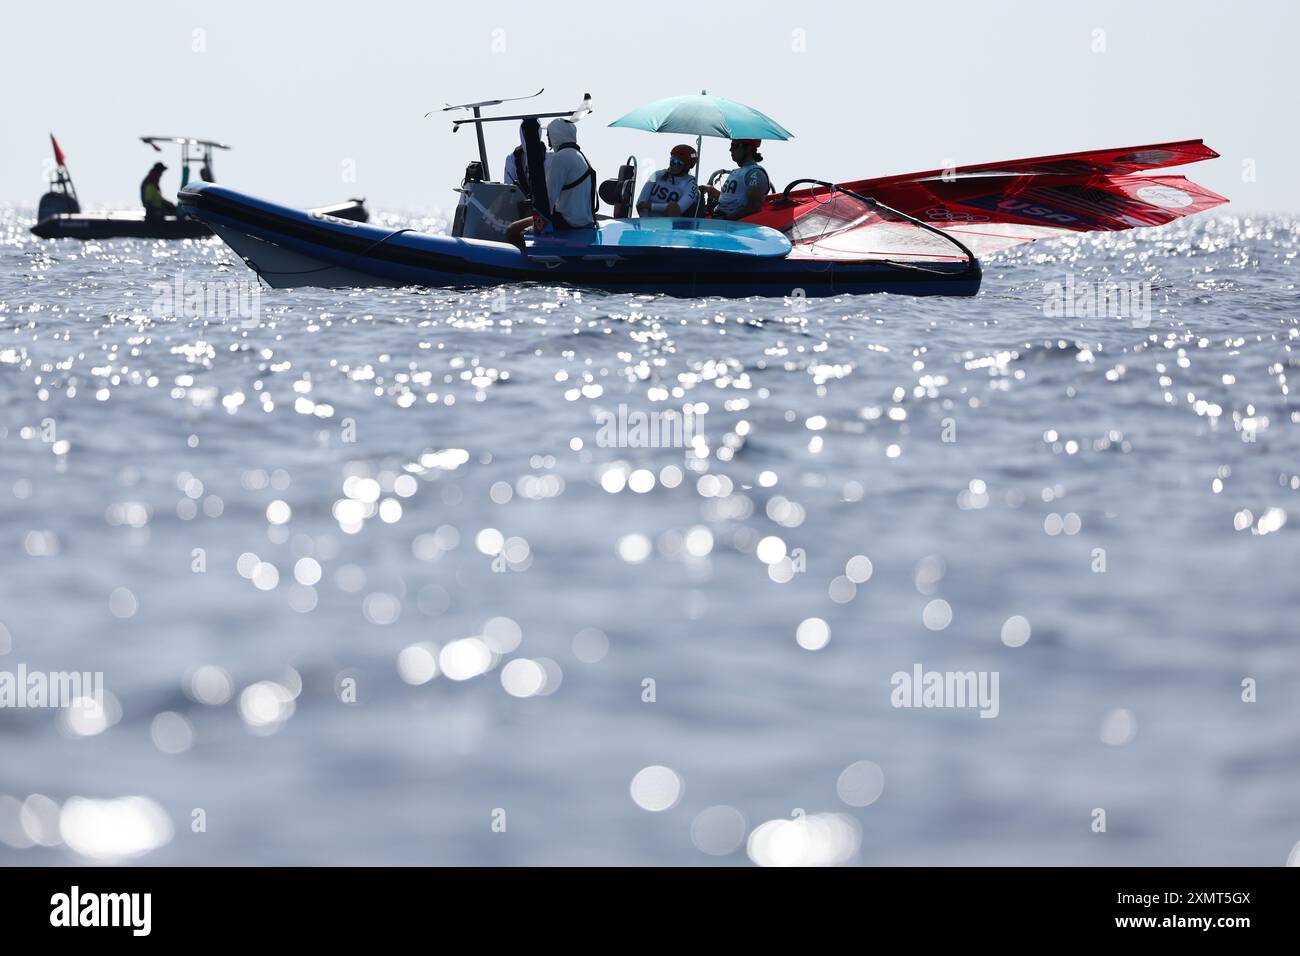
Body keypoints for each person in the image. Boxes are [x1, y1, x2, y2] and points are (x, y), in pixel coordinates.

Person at [506, 118, 597, 247]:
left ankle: (530, 263)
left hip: (567, 221)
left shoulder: (561, 158)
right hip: (583, 220)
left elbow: (547, 199)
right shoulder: (580, 155)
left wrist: (537, 227)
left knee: (513, 231)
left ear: (556, 135)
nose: (548, 142)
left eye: (549, 136)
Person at [701, 139, 770, 220]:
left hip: (732, 227)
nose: (730, 149)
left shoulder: (755, 173)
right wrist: (710, 189)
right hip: (719, 220)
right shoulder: (737, 171)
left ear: (748, 149)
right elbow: (731, 200)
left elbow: (754, 207)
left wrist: (726, 219)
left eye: (735, 146)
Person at [636, 145, 700, 218]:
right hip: (646, 223)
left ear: (687, 167)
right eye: (672, 160)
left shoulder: (691, 184)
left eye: (678, 162)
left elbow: (677, 209)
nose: (673, 164)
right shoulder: (656, 174)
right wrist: (646, 223)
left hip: (670, 225)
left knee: (673, 206)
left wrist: (650, 206)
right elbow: (640, 204)